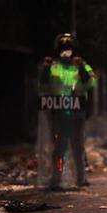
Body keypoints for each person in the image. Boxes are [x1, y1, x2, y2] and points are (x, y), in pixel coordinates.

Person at [38, 33, 96, 189]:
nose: (66, 51)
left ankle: (81, 179)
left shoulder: (81, 65)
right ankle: (56, 179)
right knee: (59, 147)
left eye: (68, 48)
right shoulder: (53, 66)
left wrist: (81, 67)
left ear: (74, 50)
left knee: (78, 146)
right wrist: (45, 68)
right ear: (58, 49)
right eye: (63, 48)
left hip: (77, 112)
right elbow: (42, 84)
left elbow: (90, 83)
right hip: (58, 113)